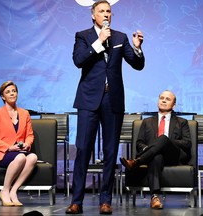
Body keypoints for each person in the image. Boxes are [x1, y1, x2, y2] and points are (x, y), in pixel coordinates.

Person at [66, 0, 145, 214]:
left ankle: (105, 200)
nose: (106, 14)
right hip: (88, 100)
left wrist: (137, 49)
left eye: (108, 11)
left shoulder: (120, 37)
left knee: (110, 151)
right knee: (83, 149)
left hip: (113, 100)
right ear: (93, 15)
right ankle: (77, 201)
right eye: (101, 11)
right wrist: (99, 42)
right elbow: (78, 60)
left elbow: (137, 65)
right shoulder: (83, 36)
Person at [120, 90, 192, 209]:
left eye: (167, 99)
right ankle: (155, 197)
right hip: (152, 156)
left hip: (174, 155)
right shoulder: (147, 121)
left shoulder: (182, 122)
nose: (163, 100)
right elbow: (139, 143)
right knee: (156, 157)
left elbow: (187, 143)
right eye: (161, 98)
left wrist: (166, 142)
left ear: (174, 104)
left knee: (163, 138)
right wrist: (151, 149)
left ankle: (137, 161)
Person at [0, 80, 38, 206]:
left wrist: (27, 144)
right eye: (8, 92)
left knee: (33, 157)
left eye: (14, 91)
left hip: (20, 151)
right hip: (2, 153)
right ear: (2, 96)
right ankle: (4, 190)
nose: (12, 94)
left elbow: (30, 135)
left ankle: (13, 191)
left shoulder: (24, 113)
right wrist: (10, 148)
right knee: (21, 157)